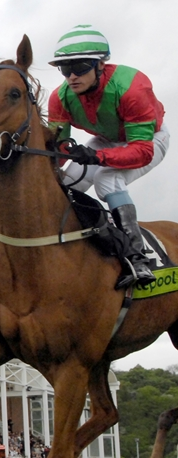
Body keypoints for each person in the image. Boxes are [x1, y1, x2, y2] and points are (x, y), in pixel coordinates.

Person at [48, 24, 168, 289]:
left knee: (106, 180)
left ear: (100, 64)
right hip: (106, 139)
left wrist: (97, 157)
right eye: (65, 69)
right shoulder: (60, 98)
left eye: (79, 68)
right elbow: (58, 149)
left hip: (148, 140)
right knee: (65, 183)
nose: (71, 77)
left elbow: (142, 151)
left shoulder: (132, 88)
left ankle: (138, 257)